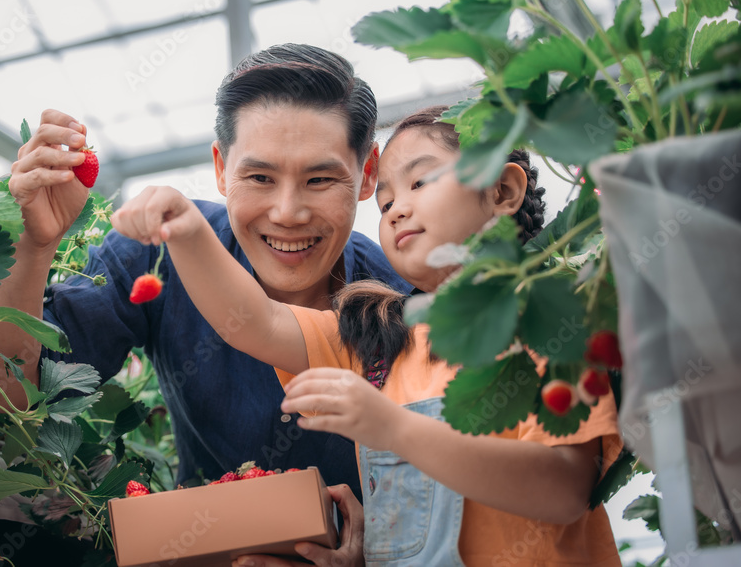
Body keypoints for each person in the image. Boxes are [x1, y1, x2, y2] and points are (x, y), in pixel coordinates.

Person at [111, 105, 624, 566]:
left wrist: (393, 429)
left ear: (502, 191)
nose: (397, 208)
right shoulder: (377, 336)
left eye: (420, 184)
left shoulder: (551, 318)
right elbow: (254, 321)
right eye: (384, 204)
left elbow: (564, 488)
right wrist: (187, 227)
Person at [0, 44, 412, 565]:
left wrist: (384, 551)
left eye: (319, 179)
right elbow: (4, 399)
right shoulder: (157, 249)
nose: (288, 212)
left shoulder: (405, 301)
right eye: (259, 178)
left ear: (367, 174)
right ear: (222, 169)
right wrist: (34, 247)